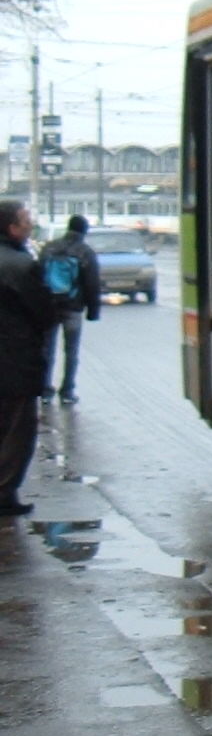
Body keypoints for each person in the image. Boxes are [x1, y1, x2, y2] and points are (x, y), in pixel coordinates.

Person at [0, 201, 57, 517]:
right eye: (25, 220)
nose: (30, 225)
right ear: (12, 228)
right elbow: (44, 312)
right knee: (16, 431)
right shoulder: (21, 266)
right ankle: (4, 493)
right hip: (14, 362)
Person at [37, 214, 101, 405]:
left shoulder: (49, 248)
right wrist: (93, 311)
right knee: (71, 351)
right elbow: (92, 283)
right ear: (84, 231)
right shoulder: (85, 252)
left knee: (47, 349)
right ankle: (67, 391)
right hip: (73, 307)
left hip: (48, 306)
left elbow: (37, 276)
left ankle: (45, 390)